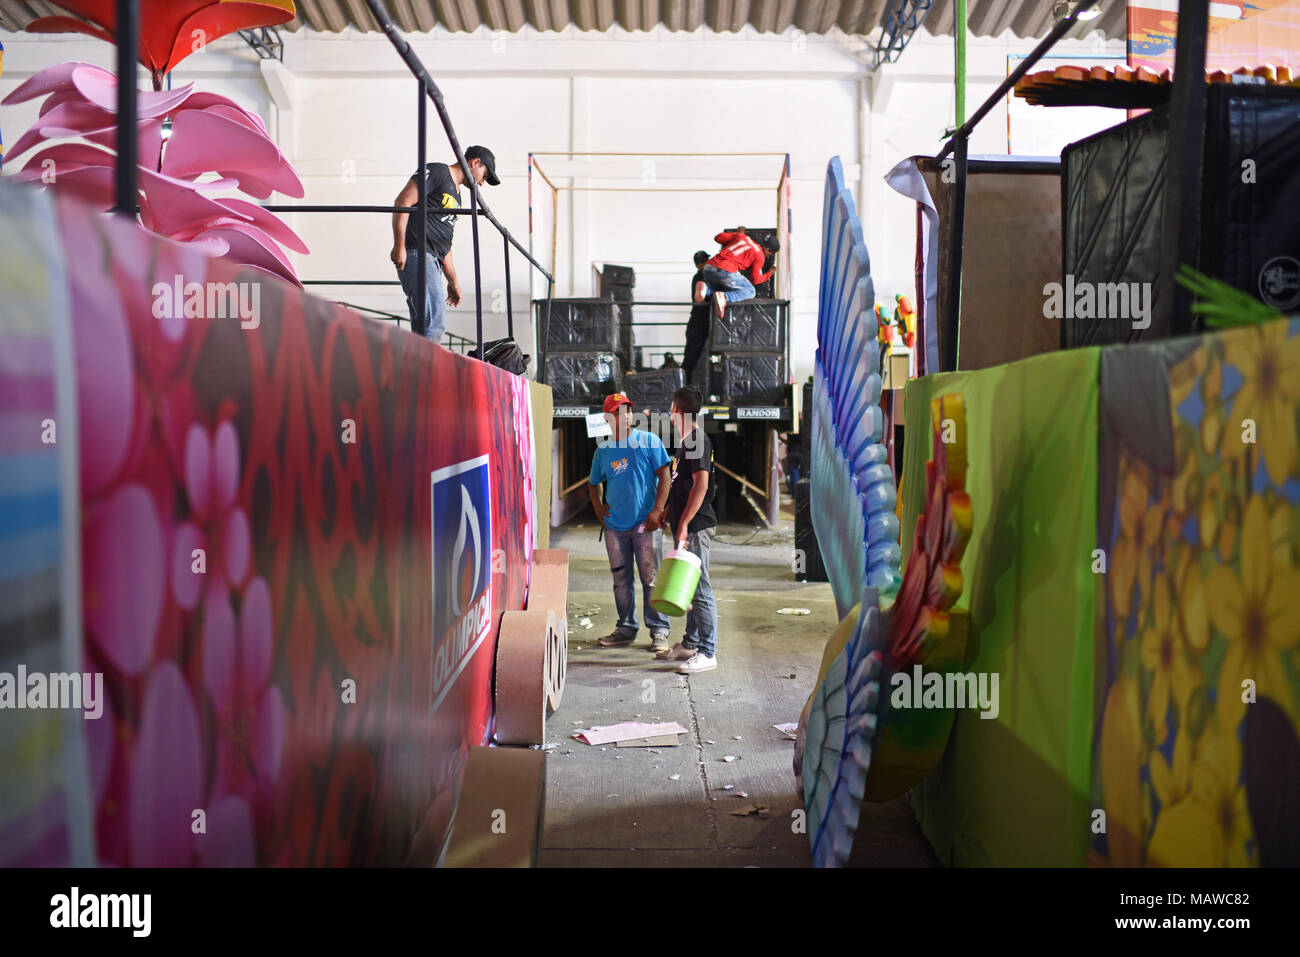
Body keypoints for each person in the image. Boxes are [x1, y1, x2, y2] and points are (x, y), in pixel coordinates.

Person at [589, 392, 674, 651]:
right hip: (615, 527)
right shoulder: (602, 451)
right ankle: (626, 628)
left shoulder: (649, 441)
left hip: (645, 525)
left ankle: (659, 631)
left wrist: (657, 511)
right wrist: (598, 508)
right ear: (607, 418)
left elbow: (666, 477)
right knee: (621, 580)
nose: (624, 416)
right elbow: (594, 484)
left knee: (651, 579)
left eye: (626, 410)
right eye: (617, 412)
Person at [390, 145, 500, 343]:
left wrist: (453, 281)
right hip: (418, 254)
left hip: (432, 260)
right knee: (434, 324)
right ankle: (426, 373)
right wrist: (399, 245)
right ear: (475, 163)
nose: (482, 183)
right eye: (484, 175)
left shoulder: (457, 195)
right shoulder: (439, 171)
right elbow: (403, 201)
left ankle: (416, 371)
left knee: (426, 327)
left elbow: (445, 242)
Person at [657, 386, 719, 674]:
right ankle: (691, 643)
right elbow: (683, 485)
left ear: (678, 410)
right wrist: (669, 511)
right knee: (691, 587)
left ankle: (708, 652)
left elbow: (701, 485)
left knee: (701, 588)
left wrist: (682, 523)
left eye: (671, 409)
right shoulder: (687, 442)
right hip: (686, 525)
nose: (669, 414)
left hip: (696, 526)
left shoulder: (697, 440)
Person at [694, 227, 779, 319]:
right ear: (766, 248)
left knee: (722, 287)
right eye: (770, 253)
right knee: (750, 290)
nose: (768, 255)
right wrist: (769, 273)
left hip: (708, 268)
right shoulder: (760, 256)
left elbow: (718, 238)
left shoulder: (742, 237)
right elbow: (755, 280)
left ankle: (706, 290)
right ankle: (724, 298)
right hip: (725, 271)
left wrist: (737, 234)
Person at [682, 250, 711, 385]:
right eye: (704, 262)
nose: (707, 264)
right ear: (698, 264)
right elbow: (701, 299)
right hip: (699, 321)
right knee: (691, 357)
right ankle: (685, 385)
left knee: (697, 356)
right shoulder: (700, 277)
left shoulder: (705, 276)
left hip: (702, 320)